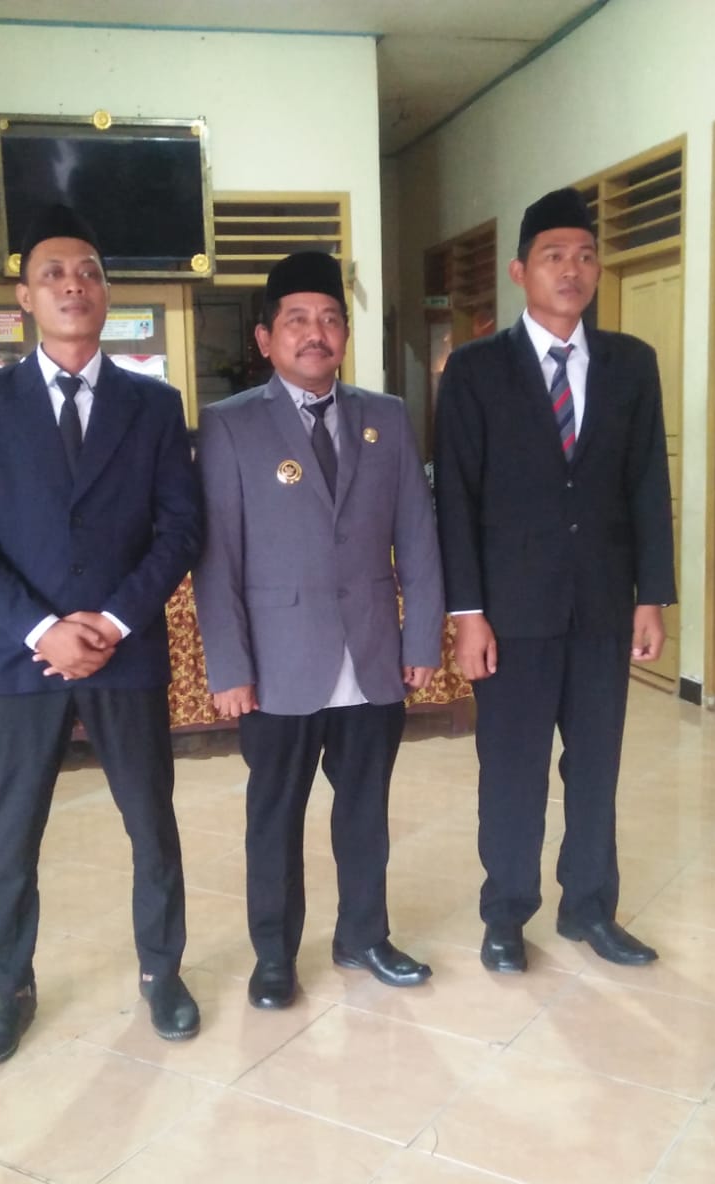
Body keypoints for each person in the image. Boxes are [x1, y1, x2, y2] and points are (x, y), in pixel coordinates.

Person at [0, 205, 204, 1063]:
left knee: (151, 821)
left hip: (126, 651)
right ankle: (8, 988)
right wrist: (44, 628)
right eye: (53, 273)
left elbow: (179, 529)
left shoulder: (154, 404)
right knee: (12, 831)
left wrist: (115, 619)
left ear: (106, 293)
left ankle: (162, 972)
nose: (72, 285)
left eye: (88, 272)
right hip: (22, 655)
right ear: (24, 296)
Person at [433, 187, 676, 974]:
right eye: (553, 256)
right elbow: (455, 498)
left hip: (603, 606)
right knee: (512, 772)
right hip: (512, 614)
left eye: (584, 256)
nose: (571, 270)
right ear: (520, 272)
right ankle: (506, 914)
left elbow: (647, 485)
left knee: (596, 767)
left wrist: (651, 595)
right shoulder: (475, 370)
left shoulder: (632, 365)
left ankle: (590, 908)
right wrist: (467, 613)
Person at [195, 251, 444, 1010]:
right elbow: (216, 558)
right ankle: (274, 956)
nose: (316, 333)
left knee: (365, 809)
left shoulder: (386, 418)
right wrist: (230, 667)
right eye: (298, 320)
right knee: (275, 816)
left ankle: (363, 936)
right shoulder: (231, 425)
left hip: (370, 656)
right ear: (266, 338)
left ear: (345, 334)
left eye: (330, 319)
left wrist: (420, 640)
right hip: (277, 666)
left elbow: (418, 536)